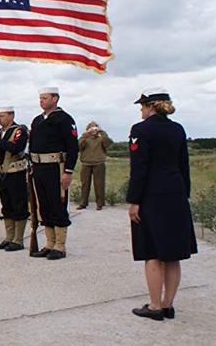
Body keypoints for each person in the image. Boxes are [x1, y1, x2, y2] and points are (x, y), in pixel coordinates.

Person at [127, 88, 197, 321]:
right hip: (176, 194)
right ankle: (168, 304)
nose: (141, 110)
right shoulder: (177, 129)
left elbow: (139, 169)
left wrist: (134, 201)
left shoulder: (140, 131)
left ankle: (155, 306)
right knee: (173, 254)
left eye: (142, 106)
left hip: (152, 196)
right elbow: (183, 166)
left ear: (151, 106)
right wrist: (183, 194)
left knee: (152, 252)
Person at [28, 87, 79, 260]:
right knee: (44, 206)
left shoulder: (64, 119)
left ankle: (60, 245)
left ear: (55, 98)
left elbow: (73, 147)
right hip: (39, 167)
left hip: (56, 167)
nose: (41, 101)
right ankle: (49, 243)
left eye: (45, 98)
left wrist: (68, 171)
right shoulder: (37, 120)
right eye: (40, 98)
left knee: (57, 203)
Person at [0, 107, 29, 252]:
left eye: (2, 116)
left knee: (18, 204)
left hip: (15, 172)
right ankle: (9, 237)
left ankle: (18, 239)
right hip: (3, 173)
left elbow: (17, 147)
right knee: (7, 205)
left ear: (11, 116)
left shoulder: (19, 130)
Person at [78, 121, 114, 210]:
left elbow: (109, 143)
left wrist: (102, 132)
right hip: (86, 163)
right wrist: (85, 134)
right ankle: (83, 203)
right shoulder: (85, 138)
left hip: (99, 163)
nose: (93, 130)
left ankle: (100, 204)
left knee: (99, 184)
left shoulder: (101, 138)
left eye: (95, 128)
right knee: (85, 184)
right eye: (91, 128)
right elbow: (79, 146)